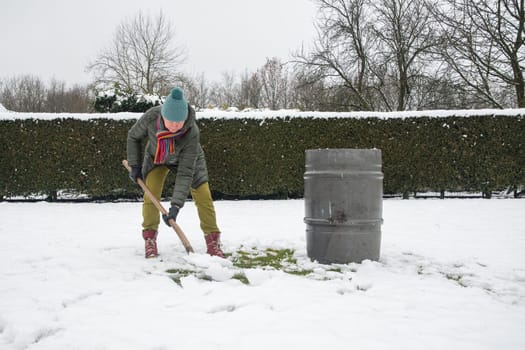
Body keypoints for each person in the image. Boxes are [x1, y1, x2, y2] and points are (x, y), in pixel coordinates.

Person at [126, 87, 224, 259]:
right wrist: (135, 165)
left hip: (189, 161)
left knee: (203, 196)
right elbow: (133, 136)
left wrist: (175, 206)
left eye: (179, 122)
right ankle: (150, 239)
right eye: (171, 121)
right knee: (151, 194)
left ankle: (213, 241)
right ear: (163, 114)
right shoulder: (151, 117)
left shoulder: (191, 132)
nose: (174, 126)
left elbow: (185, 172)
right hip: (157, 158)